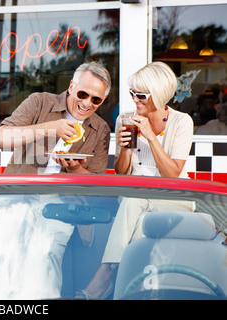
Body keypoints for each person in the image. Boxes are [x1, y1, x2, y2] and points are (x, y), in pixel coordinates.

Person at [78, 61, 194, 299]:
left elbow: (172, 174)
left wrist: (151, 137)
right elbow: (121, 173)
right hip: (135, 198)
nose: (134, 99)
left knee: (135, 198)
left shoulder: (181, 122)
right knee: (138, 219)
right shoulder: (125, 119)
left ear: (159, 94)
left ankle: (104, 274)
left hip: (173, 196)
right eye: (132, 93)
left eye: (140, 94)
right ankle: (131, 290)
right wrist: (126, 149)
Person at [0, 61, 112, 174]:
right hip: (22, 190)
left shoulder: (101, 129)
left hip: (64, 194)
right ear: (71, 87)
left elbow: (95, 180)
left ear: (104, 99)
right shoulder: (39, 102)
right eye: (83, 94)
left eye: (96, 100)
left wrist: (75, 168)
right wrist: (49, 128)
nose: (87, 103)